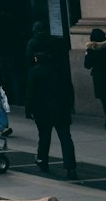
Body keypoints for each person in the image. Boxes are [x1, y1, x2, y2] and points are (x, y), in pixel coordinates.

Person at [26, 37, 78, 178]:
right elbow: (69, 90)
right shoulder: (60, 70)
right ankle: (70, 167)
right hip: (60, 109)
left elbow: (31, 93)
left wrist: (29, 110)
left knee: (44, 137)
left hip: (42, 110)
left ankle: (42, 161)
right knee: (65, 137)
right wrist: (69, 106)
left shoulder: (34, 72)